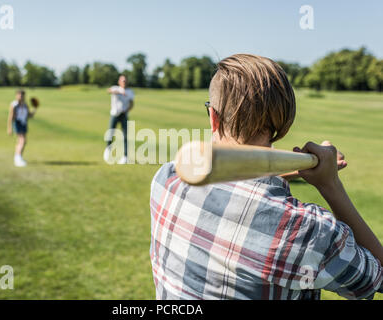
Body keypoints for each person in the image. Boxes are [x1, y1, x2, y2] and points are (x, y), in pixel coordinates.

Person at [150, 54, 382, 300]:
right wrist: (330, 184)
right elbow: (378, 278)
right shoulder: (310, 231)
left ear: (213, 117)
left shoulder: (168, 178)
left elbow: (239, 188)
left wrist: (297, 172)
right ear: (283, 123)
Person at [103, 75, 134, 164]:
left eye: (125, 81)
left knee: (125, 135)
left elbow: (131, 103)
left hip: (124, 115)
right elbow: (109, 90)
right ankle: (108, 150)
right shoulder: (115, 88)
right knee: (111, 132)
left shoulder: (130, 92)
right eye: (122, 81)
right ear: (119, 82)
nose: (124, 82)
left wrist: (127, 110)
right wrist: (119, 92)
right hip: (114, 114)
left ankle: (125, 157)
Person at [7, 90, 35, 167]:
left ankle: (18, 157)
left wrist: (34, 110)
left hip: (24, 123)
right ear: (16, 95)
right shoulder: (14, 105)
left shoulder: (25, 105)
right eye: (19, 95)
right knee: (23, 140)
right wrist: (9, 128)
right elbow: (10, 117)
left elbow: (29, 116)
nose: (21, 96)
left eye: (22, 95)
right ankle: (18, 158)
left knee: (21, 141)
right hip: (17, 123)